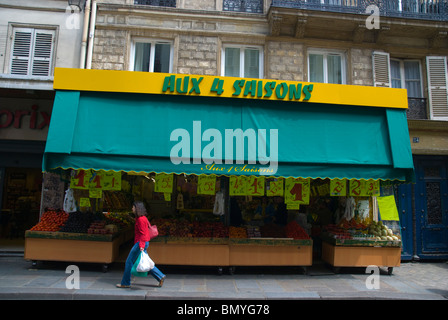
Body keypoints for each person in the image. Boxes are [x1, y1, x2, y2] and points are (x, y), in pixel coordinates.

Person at [116, 201, 166, 288]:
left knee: (129, 262)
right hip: (143, 242)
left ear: (137, 208)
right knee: (146, 261)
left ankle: (125, 283)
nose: (132, 209)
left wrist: (141, 246)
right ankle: (160, 276)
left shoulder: (140, 219)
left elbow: (143, 234)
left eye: (133, 207)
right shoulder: (143, 218)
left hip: (140, 243)